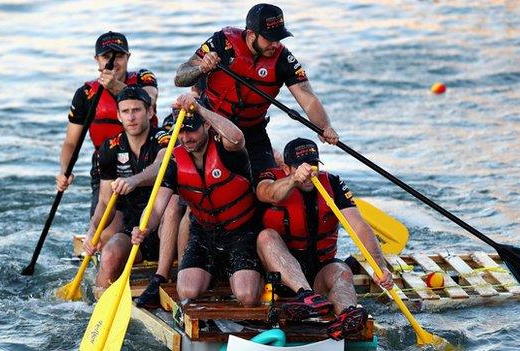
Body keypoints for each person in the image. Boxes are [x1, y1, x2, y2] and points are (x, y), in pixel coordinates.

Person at [174, 3, 339, 178]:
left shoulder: (283, 58)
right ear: (251, 34)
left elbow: (307, 97)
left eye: (279, 38)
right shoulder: (222, 42)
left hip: (253, 131)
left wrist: (325, 127)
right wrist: (201, 68)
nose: (275, 44)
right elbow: (180, 78)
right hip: (210, 124)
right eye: (269, 38)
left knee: (266, 184)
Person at [129, 93, 262, 307]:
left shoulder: (226, 148)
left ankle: (244, 274)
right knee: (187, 290)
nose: (186, 137)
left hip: (241, 232)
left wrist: (199, 109)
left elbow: (237, 138)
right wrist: (144, 227)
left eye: (191, 129)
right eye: (181, 131)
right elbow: (156, 207)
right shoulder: (173, 161)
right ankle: (218, 273)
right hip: (204, 234)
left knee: (247, 296)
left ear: (207, 126)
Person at [255, 138, 394, 340]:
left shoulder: (333, 183)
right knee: (266, 237)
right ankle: (305, 296)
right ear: (286, 168)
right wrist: (294, 179)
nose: (310, 173)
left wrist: (380, 268)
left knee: (342, 271)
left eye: (313, 166)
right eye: (302, 167)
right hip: (281, 279)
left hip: (319, 271)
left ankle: (347, 316)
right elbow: (267, 193)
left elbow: (359, 226)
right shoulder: (269, 178)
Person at [83, 86, 176, 302]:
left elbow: (162, 164)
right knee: (110, 253)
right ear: (118, 115)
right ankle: (97, 307)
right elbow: (105, 201)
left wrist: (133, 180)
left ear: (150, 112)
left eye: (137, 110)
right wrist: (92, 229)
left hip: (166, 228)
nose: (131, 117)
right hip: (134, 229)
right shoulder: (109, 149)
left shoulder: (164, 138)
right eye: (125, 111)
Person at [56, 31, 159, 217]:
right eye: (106, 57)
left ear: (128, 57)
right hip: (107, 168)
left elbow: (149, 100)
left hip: (146, 163)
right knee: (103, 232)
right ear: (97, 60)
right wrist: (65, 171)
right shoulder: (86, 94)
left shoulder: (144, 78)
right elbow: (71, 142)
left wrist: (115, 87)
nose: (113, 62)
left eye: (119, 56)